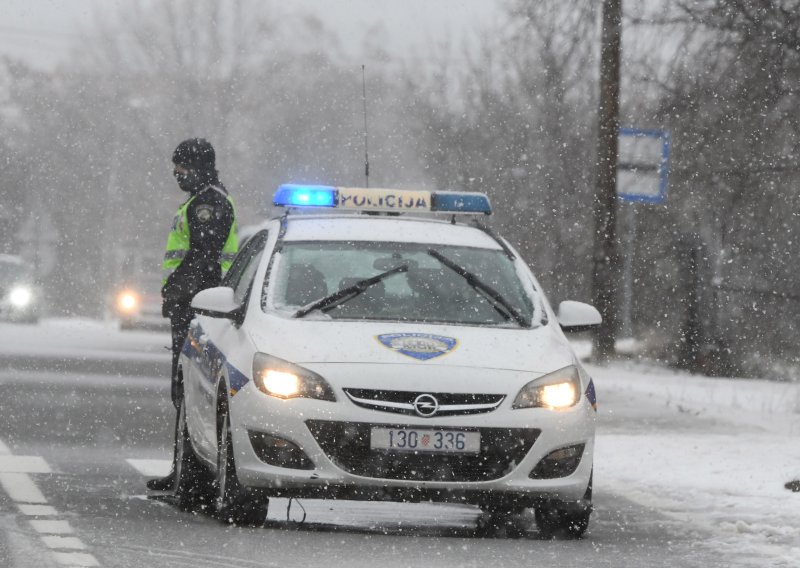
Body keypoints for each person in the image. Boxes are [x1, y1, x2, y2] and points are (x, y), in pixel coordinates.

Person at [147, 138, 238, 491]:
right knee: (184, 388)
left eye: (182, 167)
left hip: (199, 306)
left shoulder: (209, 203)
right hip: (194, 304)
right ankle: (183, 470)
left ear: (198, 167)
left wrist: (178, 290)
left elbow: (203, 255)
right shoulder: (199, 200)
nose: (177, 173)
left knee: (189, 386)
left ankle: (191, 476)